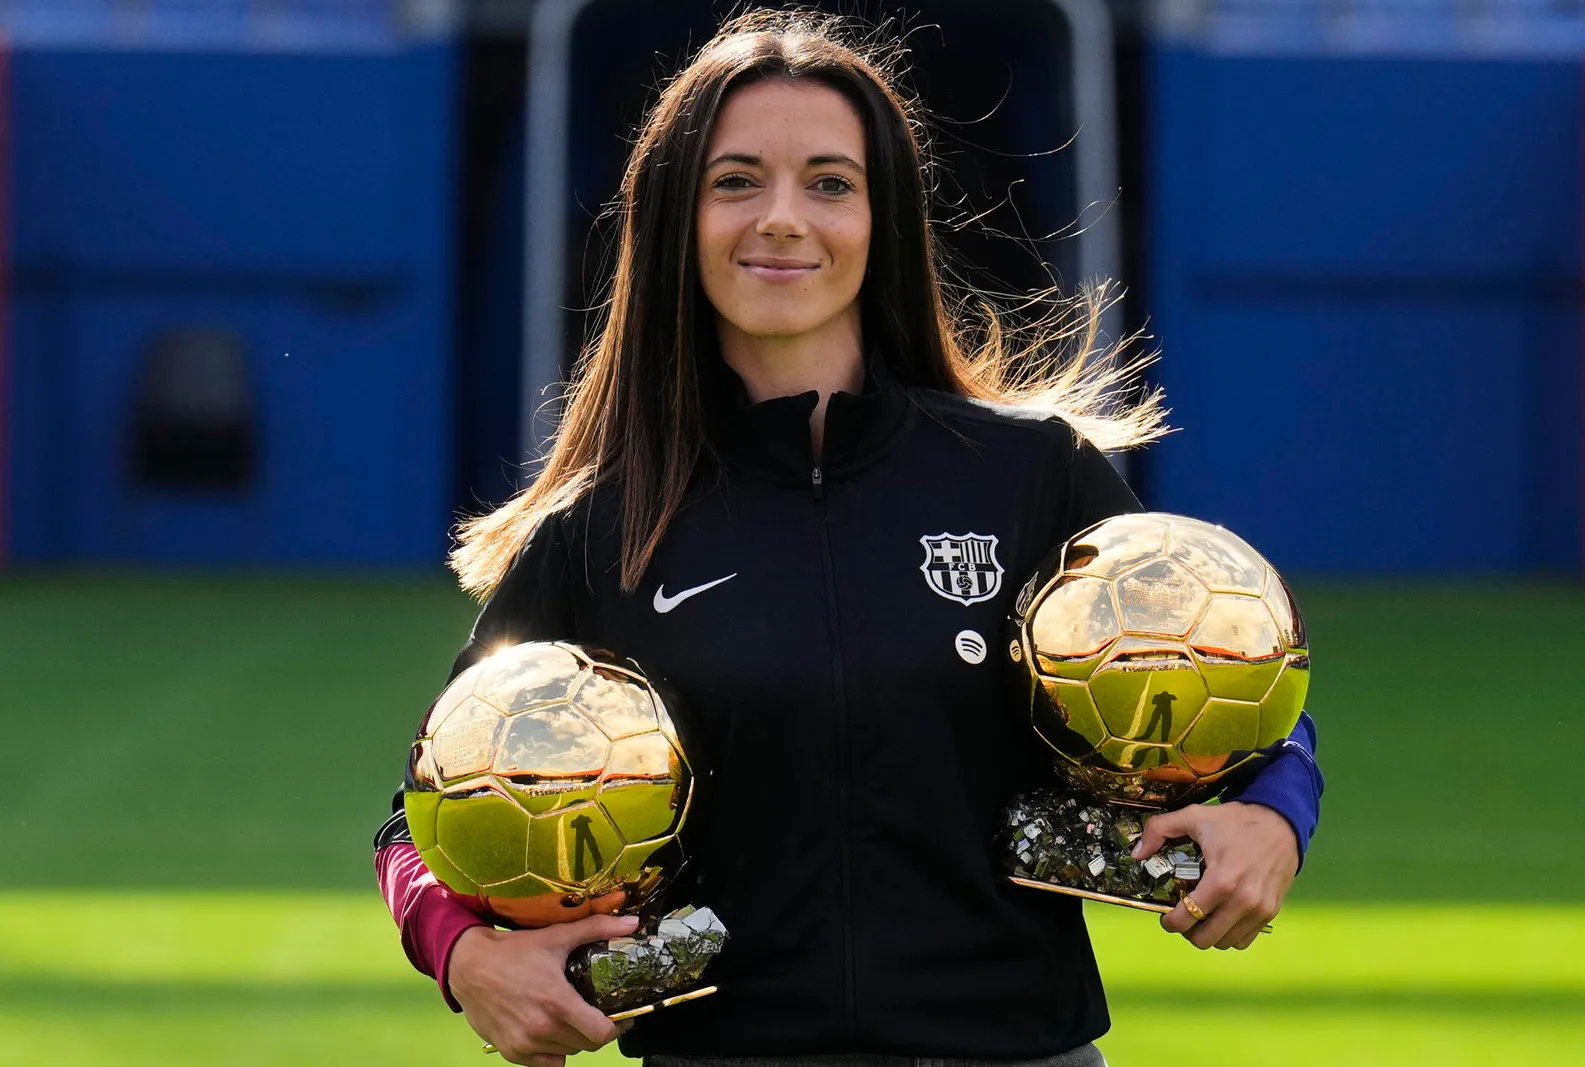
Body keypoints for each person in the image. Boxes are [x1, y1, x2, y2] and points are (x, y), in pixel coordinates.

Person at [372, 11, 1323, 1067]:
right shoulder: (601, 530)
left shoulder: (1030, 474)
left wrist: (1272, 816)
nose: (784, 218)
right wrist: (465, 954)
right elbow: (417, 824)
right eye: (736, 181)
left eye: (829, 182)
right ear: (675, 218)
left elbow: (1247, 703)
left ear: (885, 221)